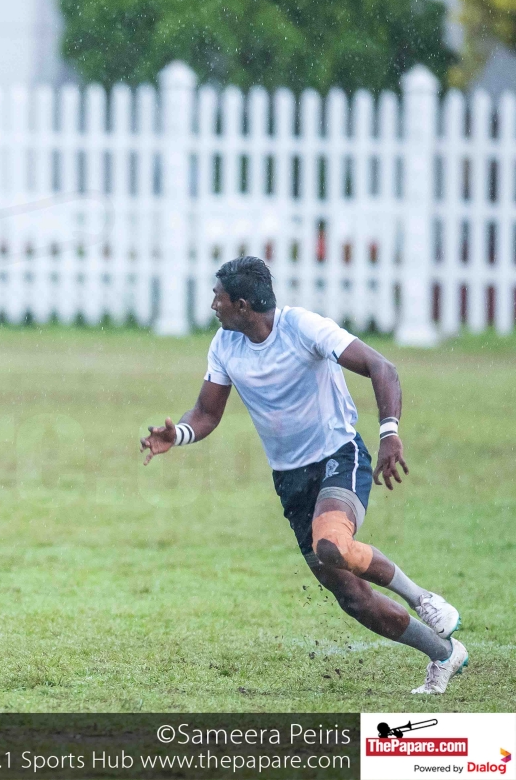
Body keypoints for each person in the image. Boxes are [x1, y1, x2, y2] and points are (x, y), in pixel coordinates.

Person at [140, 256, 466, 694]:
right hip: (290, 480)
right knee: (352, 598)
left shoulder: (302, 327)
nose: (213, 304)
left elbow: (382, 367)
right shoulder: (225, 344)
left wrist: (390, 433)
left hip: (339, 456)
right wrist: (177, 435)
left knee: (332, 544)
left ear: (242, 305)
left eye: (219, 297)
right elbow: (205, 413)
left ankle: (422, 598)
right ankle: (444, 654)